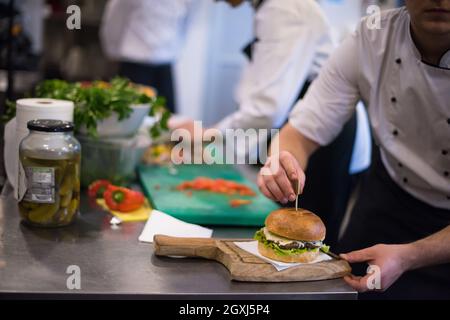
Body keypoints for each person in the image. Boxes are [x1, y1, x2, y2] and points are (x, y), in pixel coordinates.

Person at [257, 0, 450, 299]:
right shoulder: (371, 37)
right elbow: (302, 130)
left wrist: (410, 255)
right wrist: (281, 160)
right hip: (388, 202)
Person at [176, 0, 371, 248]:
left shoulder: (286, 9)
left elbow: (267, 109)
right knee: (284, 234)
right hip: (298, 131)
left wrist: (208, 140)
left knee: (308, 240)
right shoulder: (270, 8)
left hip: (322, 139)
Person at [100, 0, 198, 112]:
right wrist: (112, 51)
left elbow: (187, 23)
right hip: (134, 65)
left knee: (168, 119)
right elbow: (114, 20)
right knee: (127, 117)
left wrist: (174, 51)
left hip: (165, 66)